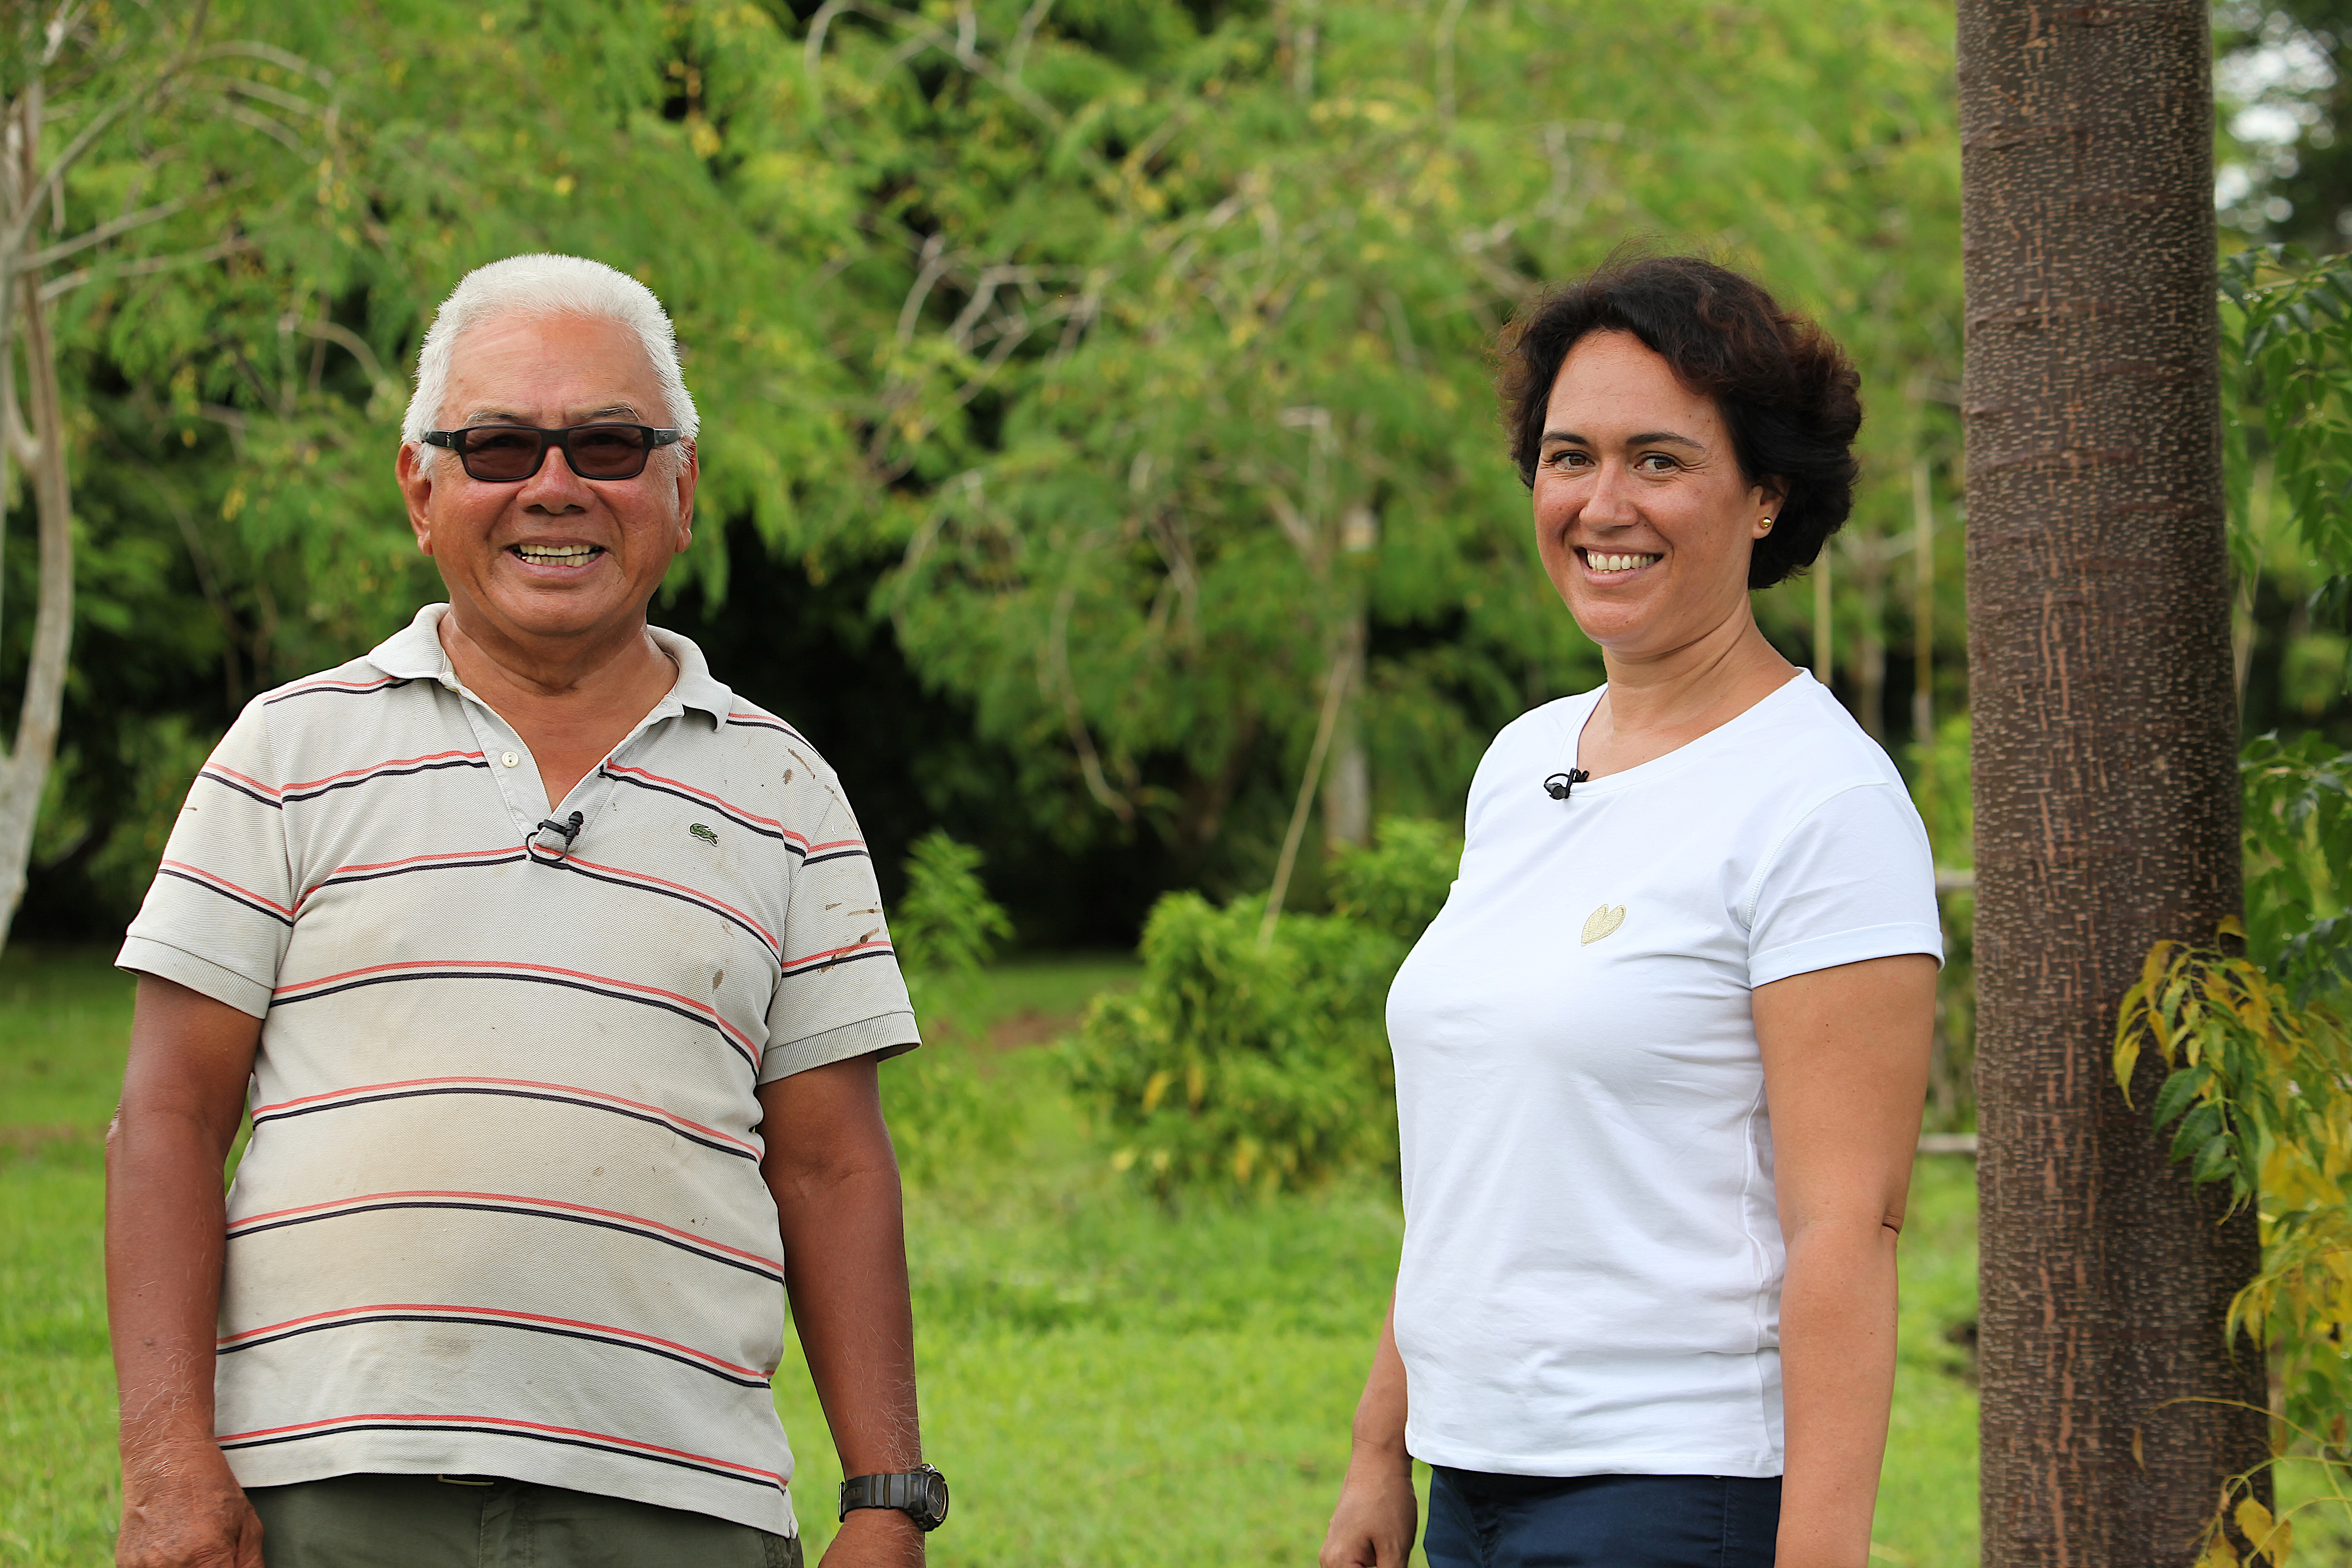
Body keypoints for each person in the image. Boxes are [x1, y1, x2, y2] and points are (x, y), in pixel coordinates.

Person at [106, 254, 947, 1568]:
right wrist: (166, 1465)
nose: (554, 486)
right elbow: (167, 1115)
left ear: (681, 488)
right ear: (421, 488)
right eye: (498, 445)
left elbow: (835, 1163)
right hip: (325, 1490)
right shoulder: (286, 754)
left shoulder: (784, 784)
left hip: (682, 1507)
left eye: (610, 443)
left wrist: (887, 1498)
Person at [1319, 255, 1942, 1568]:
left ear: (1767, 494)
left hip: (1672, 1490)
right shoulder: (1523, 761)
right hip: (1474, 1483)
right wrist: (1385, 1449)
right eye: (1569, 456)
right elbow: (1477, 1161)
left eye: (1660, 460)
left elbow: (1851, 1227)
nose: (1604, 504)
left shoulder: (1822, 801)